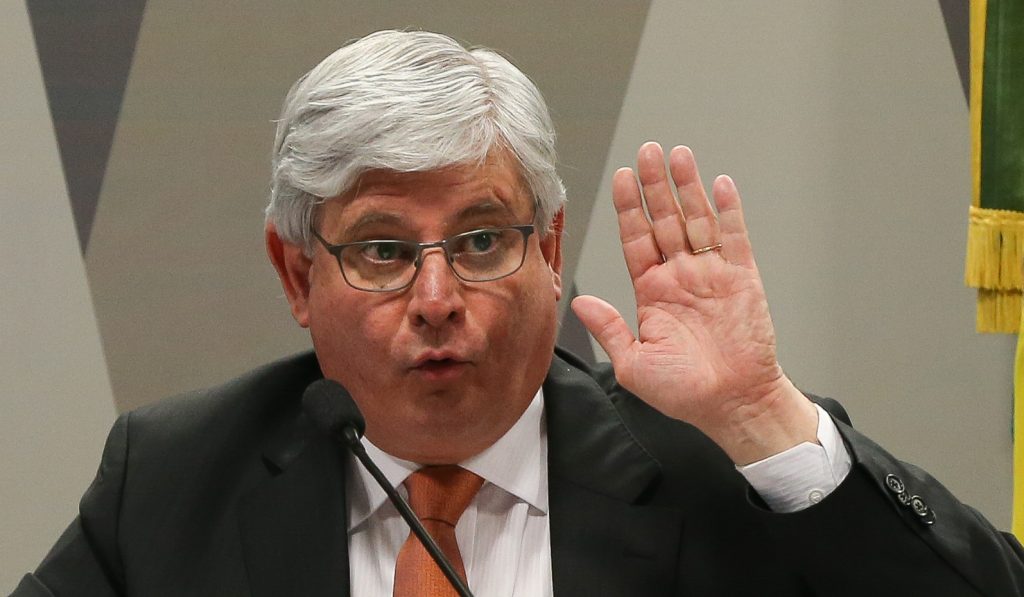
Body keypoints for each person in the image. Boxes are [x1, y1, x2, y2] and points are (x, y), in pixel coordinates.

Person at [12, 29, 1024, 596]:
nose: (437, 301)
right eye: (381, 252)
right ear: (295, 274)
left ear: (548, 250)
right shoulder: (175, 480)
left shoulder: (713, 466)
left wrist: (763, 416)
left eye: (483, 239)